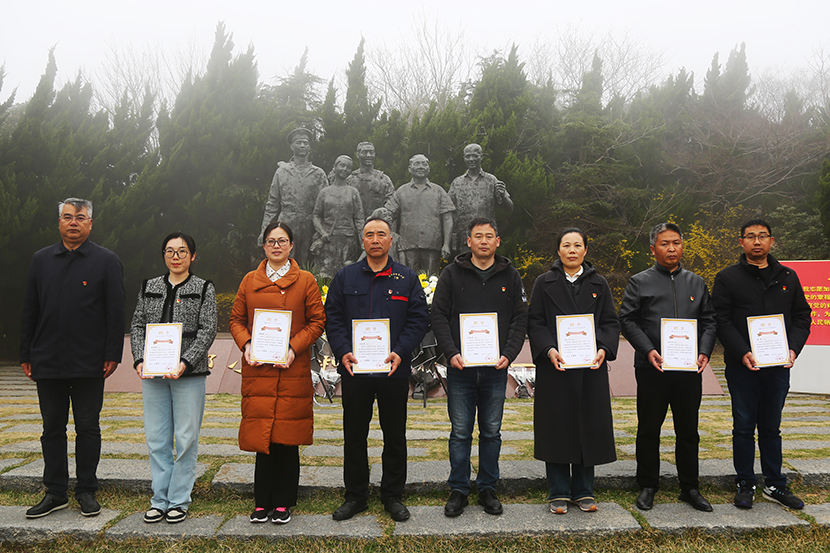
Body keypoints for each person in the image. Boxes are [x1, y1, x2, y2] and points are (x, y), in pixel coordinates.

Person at [20, 198, 125, 518]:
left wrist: (112, 353)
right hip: (47, 359)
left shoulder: (106, 260)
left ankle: (86, 490)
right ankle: (55, 491)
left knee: (88, 427)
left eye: (80, 217)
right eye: (67, 217)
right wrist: (26, 352)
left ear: (90, 223)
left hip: (89, 361)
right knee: (52, 427)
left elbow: (115, 311)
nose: (73, 222)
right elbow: (30, 309)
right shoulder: (41, 259)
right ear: (59, 222)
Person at [325, 217, 429, 522]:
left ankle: (392, 495)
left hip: (392, 370)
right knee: (354, 435)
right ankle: (355, 496)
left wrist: (401, 351)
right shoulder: (345, 277)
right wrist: (343, 350)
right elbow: (333, 317)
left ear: (390, 240)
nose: (375, 239)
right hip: (355, 370)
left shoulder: (406, 278)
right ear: (362, 240)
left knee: (394, 435)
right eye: (369, 234)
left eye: (381, 234)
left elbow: (419, 319)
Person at [229, 222, 326, 524]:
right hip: (259, 370)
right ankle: (262, 502)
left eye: (282, 241)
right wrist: (247, 344)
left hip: (291, 369)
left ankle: (283, 502)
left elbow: (317, 321)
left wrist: (293, 348)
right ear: (264, 245)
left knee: (287, 437)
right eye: (271, 241)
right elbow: (236, 320)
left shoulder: (306, 280)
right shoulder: (249, 280)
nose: (276, 246)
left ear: (291, 245)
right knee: (263, 437)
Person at [430, 217, 528, 517]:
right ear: (468, 241)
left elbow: (520, 318)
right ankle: (459, 489)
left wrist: (509, 353)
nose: (483, 241)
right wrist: (451, 352)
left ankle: (487, 487)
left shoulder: (510, 275)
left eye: (489, 236)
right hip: (461, 368)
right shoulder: (451, 273)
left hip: (496, 369)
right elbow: (438, 315)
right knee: (460, 432)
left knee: (491, 432)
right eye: (478, 236)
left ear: (497, 241)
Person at [712, 218, 811, 510]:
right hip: (742, 366)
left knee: (771, 427)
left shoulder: (788, 276)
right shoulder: (727, 277)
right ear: (741, 242)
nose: (757, 241)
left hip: (778, 366)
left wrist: (793, 349)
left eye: (763, 236)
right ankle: (745, 482)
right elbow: (721, 319)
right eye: (751, 236)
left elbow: (802, 316)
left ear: (772, 241)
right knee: (743, 426)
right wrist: (742, 351)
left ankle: (774, 483)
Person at [618, 223, 717, 512]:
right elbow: (627, 319)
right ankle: (648, 485)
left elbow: (709, 320)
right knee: (649, 428)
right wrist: (648, 350)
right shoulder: (639, 282)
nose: (671, 248)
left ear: (682, 246)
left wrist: (704, 351)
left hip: (688, 369)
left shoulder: (696, 282)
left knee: (688, 429)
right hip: (652, 368)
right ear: (653, 249)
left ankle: (690, 487)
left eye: (676, 243)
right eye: (664, 244)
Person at [527, 228, 619, 514]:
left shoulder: (599, 283)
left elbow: (610, 322)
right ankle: (558, 491)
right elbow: (535, 322)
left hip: (590, 368)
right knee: (556, 426)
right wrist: (548, 349)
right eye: (566, 245)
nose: (572, 250)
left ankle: (584, 490)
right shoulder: (544, 282)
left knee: (587, 426)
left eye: (577, 245)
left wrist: (603, 348)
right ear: (558, 250)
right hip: (556, 368)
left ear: (585, 250)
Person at [130, 232, 218, 524]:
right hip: (153, 374)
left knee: (186, 437)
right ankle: (160, 499)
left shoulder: (203, 288)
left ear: (193, 256)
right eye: (169, 251)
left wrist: (185, 362)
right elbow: (138, 324)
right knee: (156, 437)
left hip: (188, 374)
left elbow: (208, 329)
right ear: (164, 255)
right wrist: (139, 359)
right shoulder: (149, 286)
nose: (175, 256)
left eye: (182, 251)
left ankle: (179, 500)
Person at [373, 154, 454, 275]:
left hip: (432, 245)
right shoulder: (401, 191)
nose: (421, 167)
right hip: (407, 246)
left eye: (424, 164)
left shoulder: (439, 191)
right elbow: (388, 215)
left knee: (432, 278)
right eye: (417, 164)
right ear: (410, 168)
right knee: (407, 277)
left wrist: (446, 244)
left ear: (428, 168)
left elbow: (447, 219)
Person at [260, 127, 329, 267]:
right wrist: (264, 231)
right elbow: (272, 204)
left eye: (305, 143)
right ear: (292, 146)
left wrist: (323, 232)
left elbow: (326, 206)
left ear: (309, 147)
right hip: (286, 224)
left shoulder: (318, 174)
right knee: (284, 265)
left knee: (306, 267)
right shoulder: (282, 172)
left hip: (310, 227)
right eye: (298, 142)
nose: (302, 145)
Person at [448, 144, 513, 256]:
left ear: (481, 157)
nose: (471, 159)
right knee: (466, 266)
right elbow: (448, 211)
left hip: (486, 238)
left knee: (485, 265)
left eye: (475, 155)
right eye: (468, 156)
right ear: (464, 158)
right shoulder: (457, 183)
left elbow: (509, 208)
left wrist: (503, 195)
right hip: (464, 239)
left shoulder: (491, 180)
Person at [311, 155, 364, 278]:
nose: (345, 169)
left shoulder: (353, 192)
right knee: (325, 276)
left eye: (348, 167)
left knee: (347, 275)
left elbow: (359, 218)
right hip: (329, 241)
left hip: (348, 242)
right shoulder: (324, 192)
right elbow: (316, 216)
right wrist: (322, 232)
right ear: (335, 167)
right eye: (342, 165)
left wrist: (363, 240)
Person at [346, 142, 395, 217]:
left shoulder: (384, 180)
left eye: (371, 152)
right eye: (365, 152)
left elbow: (391, 204)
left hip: (377, 221)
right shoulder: (350, 180)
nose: (368, 155)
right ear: (358, 155)